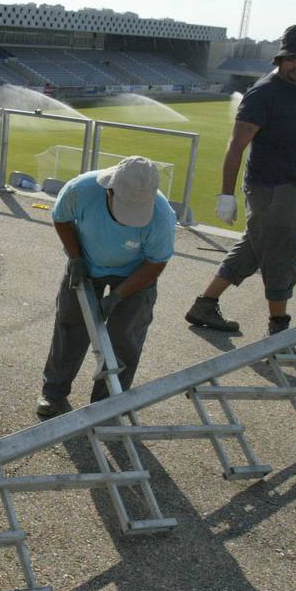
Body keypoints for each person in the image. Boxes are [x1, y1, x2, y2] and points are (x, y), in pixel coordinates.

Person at [185, 24, 296, 336]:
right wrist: (226, 194)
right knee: (282, 253)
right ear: (280, 59)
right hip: (270, 187)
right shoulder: (263, 93)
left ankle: (205, 304)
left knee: (253, 248)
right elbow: (236, 144)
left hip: (294, 186)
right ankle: (279, 328)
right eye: (291, 58)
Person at [37, 156, 176, 417]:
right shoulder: (82, 190)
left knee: (124, 335)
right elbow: (62, 218)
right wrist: (76, 258)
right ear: (109, 189)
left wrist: (118, 297)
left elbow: (155, 263)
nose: (128, 221)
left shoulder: (161, 217)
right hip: (86, 261)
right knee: (70, 324)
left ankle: (107, 405)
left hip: (137, 272)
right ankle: (53, 393)